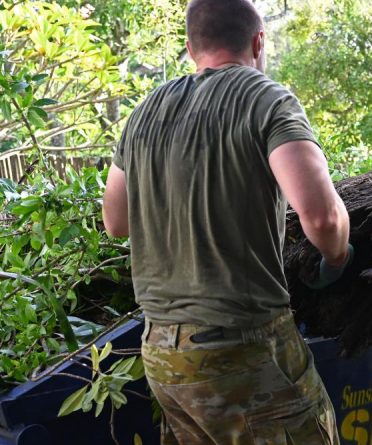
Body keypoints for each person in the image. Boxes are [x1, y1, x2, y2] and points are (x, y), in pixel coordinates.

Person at [101, 0, 351, 443]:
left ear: (189, 47)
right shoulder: (265, 97)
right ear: (258, 41)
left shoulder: (144, 112)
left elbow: (115, 221)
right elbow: (323, 216)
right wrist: (336, 260)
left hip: (163, 354)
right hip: (241, 347)